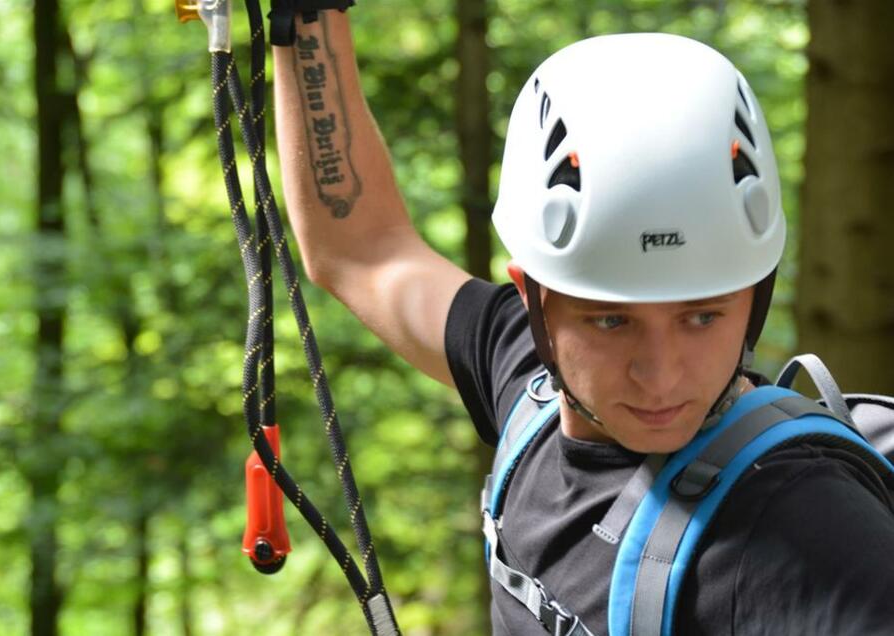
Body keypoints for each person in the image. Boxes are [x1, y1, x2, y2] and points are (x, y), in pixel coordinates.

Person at [271, 9, 894, 635]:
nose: (661, 374)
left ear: (756, 296)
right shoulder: (526, 386)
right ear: (533, 300)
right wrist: (309, 16)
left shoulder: (808, 529)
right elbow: (361, 247)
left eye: (702, 316)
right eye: (611, 322)